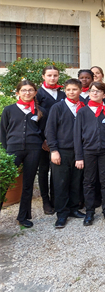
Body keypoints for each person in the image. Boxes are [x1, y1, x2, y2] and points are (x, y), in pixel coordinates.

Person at [1, 80, 47, 228]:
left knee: (28, 184)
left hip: (33, 150)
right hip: (13, 149)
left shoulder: (40, 111)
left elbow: (43, 131)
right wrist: (7, 148)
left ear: (35, 92)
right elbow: (3, 131)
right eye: (24, 90)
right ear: (18, 92)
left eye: (30, 90)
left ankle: (23, 216)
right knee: (5, 183)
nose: (27, 93)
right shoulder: (9, 110)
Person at [74, 81, 105, 226]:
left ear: (104, 94)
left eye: (98, 91)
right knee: (88, 182)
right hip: (88, 151)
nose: (94, 93)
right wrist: (79, 156)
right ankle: (89, 212)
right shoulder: (82, 111)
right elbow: (77, 136)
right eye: (92, 91)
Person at [45, 79, 86, 228]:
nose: (71, 92)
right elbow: (50, 130)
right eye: (68, 90)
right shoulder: (58, 107)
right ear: (65, 91)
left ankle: (74, 208)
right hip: (62, 151)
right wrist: (54, 150)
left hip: (79, 152)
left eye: (74, 89)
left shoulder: (83, 107)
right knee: (60, 183)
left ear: (80, 91)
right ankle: (62, 214)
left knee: (76, 181)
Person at [36, 65, 66, 215]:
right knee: (43, 170)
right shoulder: (38, 94)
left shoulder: (62, 94)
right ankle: (46, 201)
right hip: (42, 140)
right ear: (43, 77)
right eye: (49, 75)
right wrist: (44, 139)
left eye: (55, 75)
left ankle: (56, 198)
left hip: (60, 138)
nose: (52, 78)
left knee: (57, 169)